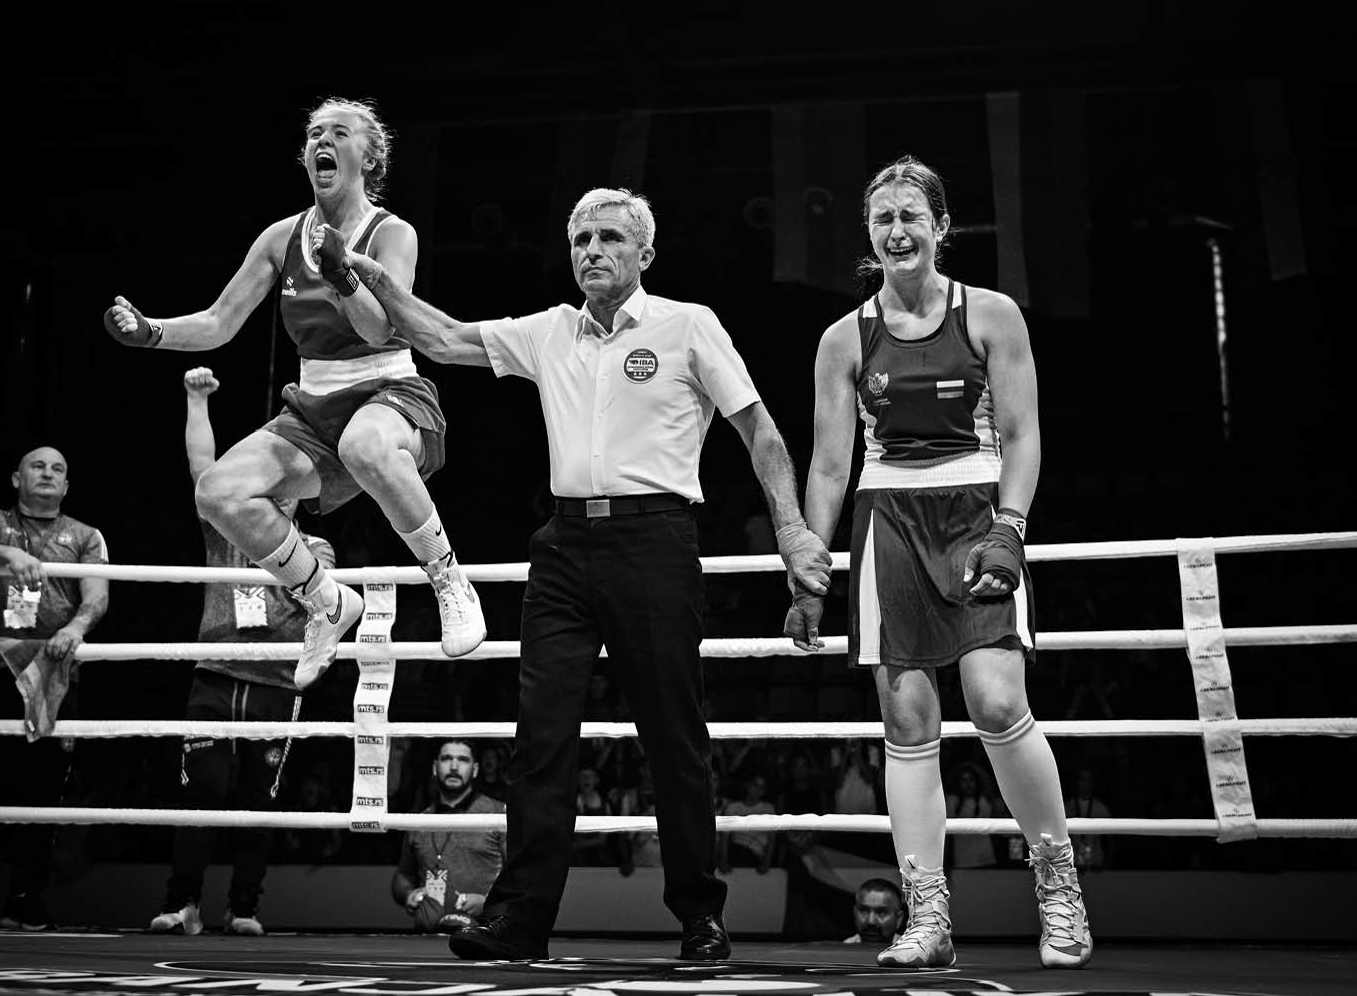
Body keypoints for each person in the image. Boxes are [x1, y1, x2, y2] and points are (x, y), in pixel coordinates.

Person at [342, 187, 833, 962]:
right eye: (580, 239)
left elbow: (760, 432)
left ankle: (700, 912)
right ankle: (521, 917)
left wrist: (793, 531)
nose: (593, 251)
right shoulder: (547, 331)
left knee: (673, 736)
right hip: (565, 545)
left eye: (609, 238)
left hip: (656, 540)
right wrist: (370, 277)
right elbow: (439, 338)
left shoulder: (687, 324)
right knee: (540, 740)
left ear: (644, 253)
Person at [795, 156, 1092, 969]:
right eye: (882, 219)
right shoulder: (841, 338)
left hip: (975, 510)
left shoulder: (992, 315)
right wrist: (810, 564)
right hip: (885, 514)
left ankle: (1058, 886)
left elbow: (1025, 435)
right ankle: (925, 916)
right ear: (868, 233)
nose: (896, 232)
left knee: (996, 703)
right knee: (906, 720)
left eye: (909, 217)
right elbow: (827, 465)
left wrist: (1010, 528)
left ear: (939, 227)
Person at [102, 97, 485, 693]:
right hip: (313, 407)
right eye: (313, 133)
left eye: (338, 132)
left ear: (368, 156)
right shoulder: (282, 237)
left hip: (388, 389)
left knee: (365, 443)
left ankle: (448, 580)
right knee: (219, 493)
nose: (321, 141)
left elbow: (380, 328)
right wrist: (151, 332)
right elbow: (218, 323)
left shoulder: (392, 233)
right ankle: (326, 602)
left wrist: (344, 275)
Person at [149, 367, 336, 937]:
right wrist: (196, 399)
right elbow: (203, 472)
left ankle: (245, 906)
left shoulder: (315, 547)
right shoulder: (225, 532)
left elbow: (322, 604)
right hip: (215, 671)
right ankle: (183, 902)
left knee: (261, 797)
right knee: (202, 788)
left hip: (278, 680)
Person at [0, 447, 110, 931]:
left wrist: (76, 629)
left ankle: (26, 895)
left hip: (54, 670)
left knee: (42, 790)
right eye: (38, 466)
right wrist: (10, 553)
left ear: (66, 485)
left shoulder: (86, 535)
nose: (48, 474)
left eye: (58, 469)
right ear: (16, 477)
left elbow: (97, 596)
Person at [392, 740, 506, 933]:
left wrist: (488, 903)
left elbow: (520, 877)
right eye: (446, 759)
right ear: (435, 768)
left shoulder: (498, 814)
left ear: (476, 769)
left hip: (484, 937)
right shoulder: (419, 822)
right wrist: (408, 894)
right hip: (427, 940)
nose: (454, 767)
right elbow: (403, 876)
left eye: (462, 760)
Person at [842, 878, 907, 947]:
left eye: (881, 913)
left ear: (898, 919)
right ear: (854, 913)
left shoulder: (911, 953)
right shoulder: (841, 951)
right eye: (864, 911)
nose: (871, 921)